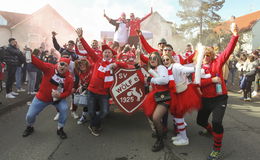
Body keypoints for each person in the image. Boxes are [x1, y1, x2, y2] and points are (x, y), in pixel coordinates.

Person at [196, 23, 239, 160]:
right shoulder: (197, 68)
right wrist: (211, 80)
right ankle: (210, 131)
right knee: (200, 121)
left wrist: (235, 35)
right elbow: (196, 83)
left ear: (212, 55)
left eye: (208, 55)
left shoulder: (217, 62)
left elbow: (228, 51)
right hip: (206, 99)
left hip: (220, 99)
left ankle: (216, 149)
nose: (206, 57)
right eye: (204, 55)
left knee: (216, 122)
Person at [76, 28, 125, 136]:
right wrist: (81, 37)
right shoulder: (97, 59)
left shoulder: (115, 63)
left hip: (103, 93)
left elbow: (126, 65)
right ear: (102, 54)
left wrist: (118, 64)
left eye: (109, 52)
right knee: (91, 112)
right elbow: (88, 50)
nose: (107, 53)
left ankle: (93, 124)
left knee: (104, 112)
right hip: (92, 91)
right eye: (105, 52)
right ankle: (95, 126)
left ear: (112, 55)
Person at [22, 55, 73, 139]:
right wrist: (29, 54)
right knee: (30, 115)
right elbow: (39, 63)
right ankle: (30, 127)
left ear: (68, 67)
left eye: (65, 65)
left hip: (58, 99)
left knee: (64, 109)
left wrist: (60, 95)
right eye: (61, 64)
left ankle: (60, 128)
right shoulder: (50, 68)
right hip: (42, 97)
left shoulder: (69, 78)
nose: (62, 67)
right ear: (58, 63)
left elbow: (68, 91)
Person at [161, 52, 201, 146]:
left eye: (167, 59)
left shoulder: (176, 66)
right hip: (174, 94)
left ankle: (184, 138)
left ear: (171, 59)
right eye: (163, 60)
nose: (165, 61)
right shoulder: (165, 69)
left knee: (178, 116)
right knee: (175, 116)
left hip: (181, 94)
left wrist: (196, 67)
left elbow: (184, 69)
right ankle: (180, 134)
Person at [141, 51, 169, 152]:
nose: (152, 60)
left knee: (156, 118)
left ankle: (160, 140)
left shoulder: (161, 68)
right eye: (150, 58)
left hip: (164, 96)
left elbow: (165, 80)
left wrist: (150, 79)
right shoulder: (153, 69)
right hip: (155, 96)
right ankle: (160, 132)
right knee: (150, 114)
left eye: (155, 58)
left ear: (158, 59)